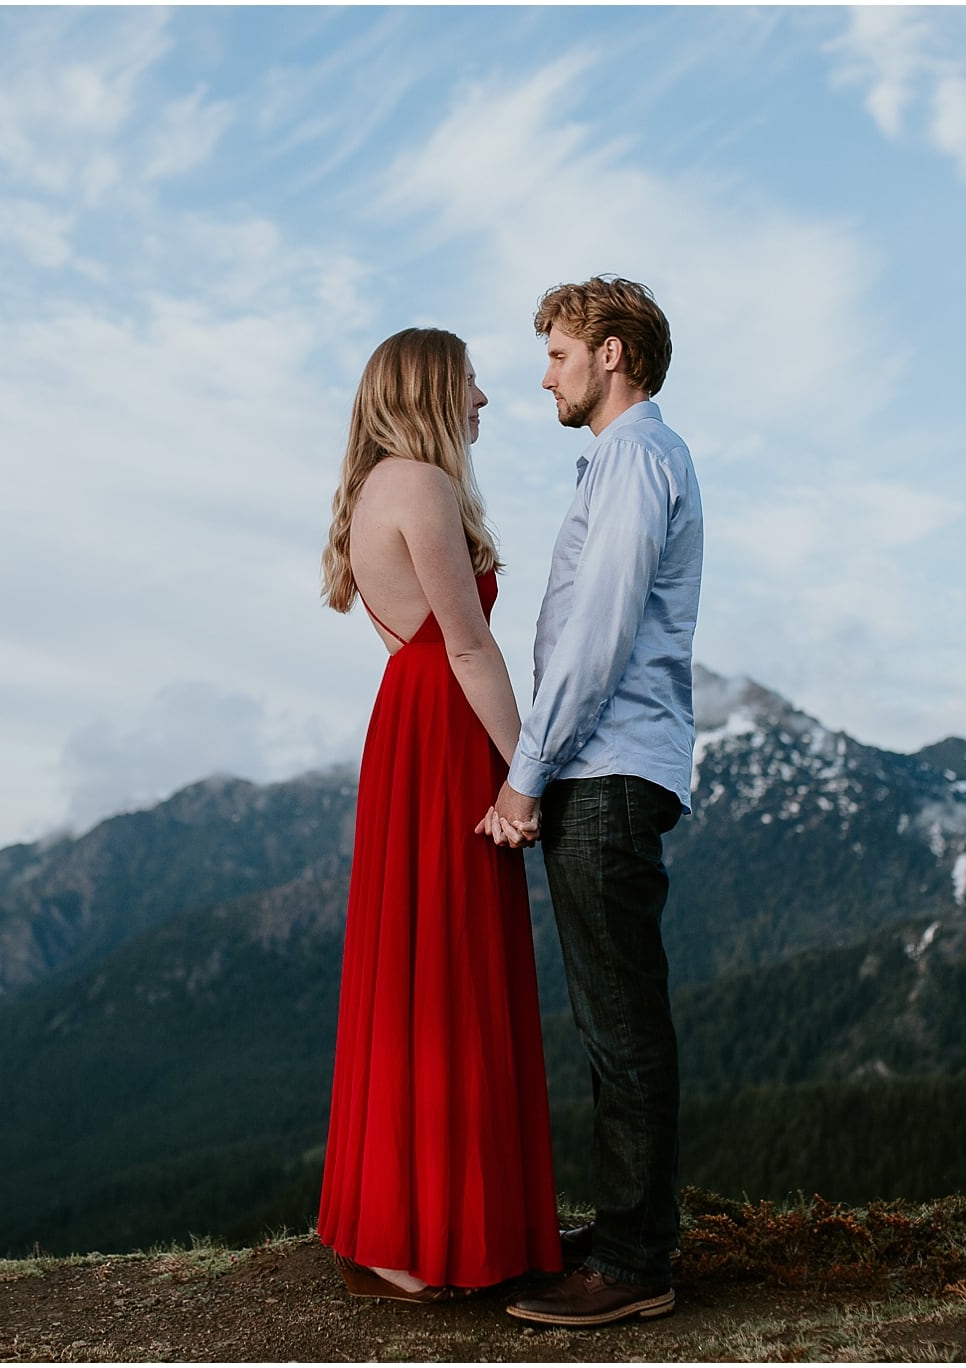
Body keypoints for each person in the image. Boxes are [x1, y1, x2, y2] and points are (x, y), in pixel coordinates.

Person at [316, 327, 564, 1302]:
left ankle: (411, 1225)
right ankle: (426, 1235)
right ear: (428, 390)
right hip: (443, 730)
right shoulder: (418, 483)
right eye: (469, 383)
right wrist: (530, 770)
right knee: (449, 971)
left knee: (414, 975)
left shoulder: (383, 483)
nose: (485, 400)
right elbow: (466, 650)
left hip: (409, 730)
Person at [483, 277, 703, 1328]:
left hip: (605, 769)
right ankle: (628, 1234)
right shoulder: (630, 460)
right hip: (608, 767)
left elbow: (595, 635)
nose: (545, 374)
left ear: (612, 354)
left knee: (620, 1026)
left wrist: (527, 772)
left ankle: (630, 1264)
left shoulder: (631, 461)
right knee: (611, 1024)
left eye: (560, 354)